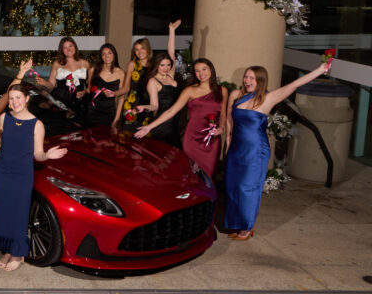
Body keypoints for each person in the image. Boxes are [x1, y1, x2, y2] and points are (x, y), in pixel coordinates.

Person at [224, 61, 331, 240]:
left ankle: (248, 227)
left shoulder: (268, 98)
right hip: (237, 148)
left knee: (247, 187)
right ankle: (237, 223)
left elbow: (295, 84)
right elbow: (230, 120)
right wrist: (228, 141)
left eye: (252, 78)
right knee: (232, 185)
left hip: (255, 150)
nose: (247, 80)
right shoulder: (238, 95)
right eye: (246, 76)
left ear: (260, 81)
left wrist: (321, 69)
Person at [0, 82, 68, 271]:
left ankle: (18, 252)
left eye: (18, 98)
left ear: (27, 99)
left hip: (22, 174)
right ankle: (8, 250)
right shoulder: (4, 118)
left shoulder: (37, 124)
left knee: (18, 214)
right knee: (2, 212)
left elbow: (37, 153)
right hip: (2, 172)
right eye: (11, 98)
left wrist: (47, 155)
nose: (14, 102)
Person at [135, 58, 226, 178]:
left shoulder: (222, 90)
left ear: (211, 70)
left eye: (204, 69)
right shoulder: (190, 90)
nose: (201, 73)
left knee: (209, 176)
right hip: (192, 139)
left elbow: (223, 113)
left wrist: (222, 128)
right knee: (190, 176)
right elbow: (171, 111)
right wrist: (149, 127)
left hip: (212, 140)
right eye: (197, 71)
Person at [119, 21, 178, 131]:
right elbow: (126, 88)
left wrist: (172, 31)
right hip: (133, 104)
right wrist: (115, 93)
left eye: (142, 48)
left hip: (150, 105)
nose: (139, 52)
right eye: (136, 49)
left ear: (148, 49)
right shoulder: (132, 64)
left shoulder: (155, 66)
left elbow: (171, 55)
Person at [135, 52, 180, 146]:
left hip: (174, 124)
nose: (166, 68)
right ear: (156, 65)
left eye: (168, 65)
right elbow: (154, 106)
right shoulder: (153, 81)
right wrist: (145, 106)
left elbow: (171, 51)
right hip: (162, 125)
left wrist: (172, 36)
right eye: (162, 65)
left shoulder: (170, 76)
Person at [44, 37, 91, 113]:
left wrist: (84, 92)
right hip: (61, 101)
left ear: (75, 46)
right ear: (62, 50)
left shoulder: (85, 63)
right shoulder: (57, 64)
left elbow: (90, 85)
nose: (69, 49)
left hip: (80, 102)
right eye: (65, 48)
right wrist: (44, 82)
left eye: (70, 46)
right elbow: (51, 85)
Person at [86, 43, 123, 127]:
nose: (107, 56)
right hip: (93, 110)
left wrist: (116, 119)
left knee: (108, 139)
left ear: (114, 54)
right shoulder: (92, 70)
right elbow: (88, 90)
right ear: (101, 56)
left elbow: (121, 98)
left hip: (109, 112)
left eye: (109, 53)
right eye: (104, 54)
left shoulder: (121, 73)